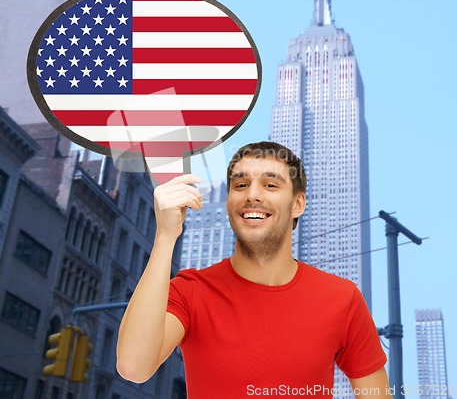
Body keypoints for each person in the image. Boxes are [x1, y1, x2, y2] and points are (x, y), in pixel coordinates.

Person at [116, 141, 389, 398]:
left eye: (270, 185)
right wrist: (166, 235)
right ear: (228, 202)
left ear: (297, 205)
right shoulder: (190, 291)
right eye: (241, 184)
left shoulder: (343, 298)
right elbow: (134, 367)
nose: (252, 195)